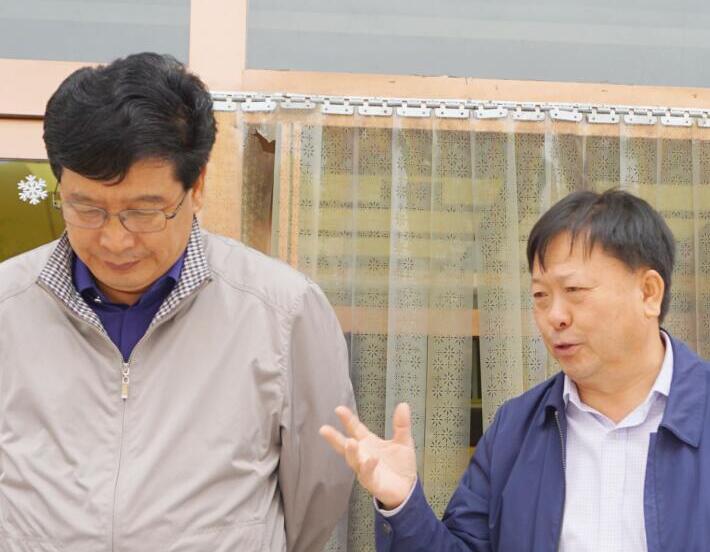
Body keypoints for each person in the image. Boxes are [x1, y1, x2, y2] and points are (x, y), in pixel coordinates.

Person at [0, 52, 355, 551]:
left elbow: (318, 496)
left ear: (198, 186)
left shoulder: (283, 311)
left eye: (144, 212)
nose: (115, 240)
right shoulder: (8, 305)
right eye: (86, 209)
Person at [321, 189, 710, 551]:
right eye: (541, 296)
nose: (554, 316)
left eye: (574, 291)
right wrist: (403, 506)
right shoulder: (516, 429)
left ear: (648, 293)